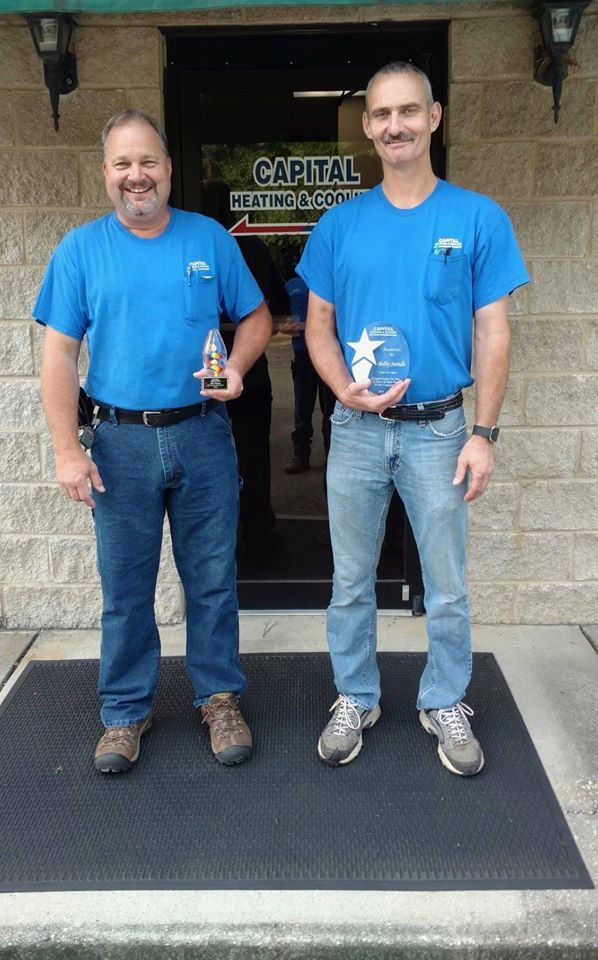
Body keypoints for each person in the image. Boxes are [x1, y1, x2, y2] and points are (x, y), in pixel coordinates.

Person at [298, 62, 529, 775]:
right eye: (381, 114)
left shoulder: (476, 217)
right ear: (368, 127)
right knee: (350, 579)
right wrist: (345, 391)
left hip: (440, 431)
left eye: (408, 111)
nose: (394, 125)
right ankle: (356, 696)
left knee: (448, 581)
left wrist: (484, 434)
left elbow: (493, 332)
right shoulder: (340, 225)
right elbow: (317, 329)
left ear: (435, 117)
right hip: (359, 430)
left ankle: (444, 699)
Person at [33, 110, 271, 773]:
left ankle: (219, 698)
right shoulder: (81, 251)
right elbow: (58, 356)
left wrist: (239, 368)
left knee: (213, 581)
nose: (136, 175)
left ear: (168, 169)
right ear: (106, 173)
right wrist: (65, 450)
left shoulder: (209, 240)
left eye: (148, 162)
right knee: (127, 588)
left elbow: (254, 315)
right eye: (122, 164)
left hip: (201, 434)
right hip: (119, 444)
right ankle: (125, 712)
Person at [283, 273, 335, 476]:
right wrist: (285, 327)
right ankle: (301, 456)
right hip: (303, 357)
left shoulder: (331, 281)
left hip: (330, 357)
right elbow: (280, 316)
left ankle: (332, 457)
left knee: (330, 412)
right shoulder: (292, 285)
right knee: (302, 410)